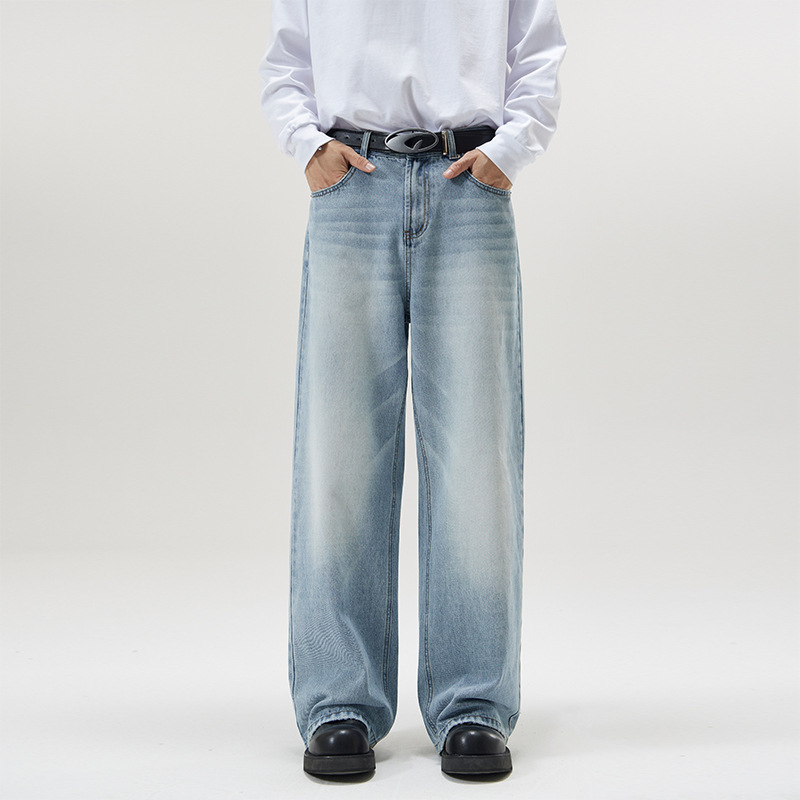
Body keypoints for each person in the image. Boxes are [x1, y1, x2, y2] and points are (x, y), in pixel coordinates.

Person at [257, 0, 566, 780]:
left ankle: (474, 704)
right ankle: (339, 700)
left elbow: (538, 47)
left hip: (470, 185)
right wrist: (306, 143)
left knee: (477, 459)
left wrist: (512, 147)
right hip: (350, 186)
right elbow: (286, 56)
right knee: (340, 452)